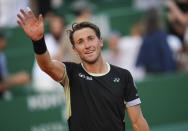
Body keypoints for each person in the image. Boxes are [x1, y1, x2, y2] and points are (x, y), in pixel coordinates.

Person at [17, 8, 149, 131]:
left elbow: (137, 121)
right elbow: (46, 65)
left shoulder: (123, 76)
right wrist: (38, 41)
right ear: (74, 50)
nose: (87, 45)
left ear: (100, 41)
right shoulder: (70, 73)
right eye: (80, 42)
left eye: (90, 39)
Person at [32, 15, 65, 92]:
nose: (56, 29)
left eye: (59, 26)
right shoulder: (47, 39)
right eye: (54, 26)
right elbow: (53, 60)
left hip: (56, 79)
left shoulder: (65, 39)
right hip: (43, 79)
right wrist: (64, 45)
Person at [0, 30, 30, 98]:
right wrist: (16, 80)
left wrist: (16, 78)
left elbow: (0, 79)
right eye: (3, 39)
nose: (5, 41)